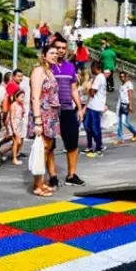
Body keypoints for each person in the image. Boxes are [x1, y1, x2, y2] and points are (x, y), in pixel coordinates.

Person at [52, 33, 86, 186]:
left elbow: (73, 89)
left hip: (67, 109)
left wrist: (79, 108)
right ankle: (52, 176)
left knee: (72, 144)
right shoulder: (46, 67)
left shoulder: (70, 66)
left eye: (63, 48)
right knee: (49, 146)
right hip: (51, 111)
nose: (60, 50)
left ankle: (71, 175)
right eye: (57, 48)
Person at [28, 44, 61, 195]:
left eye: (57, 53)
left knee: (47, 149)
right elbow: (35, 96)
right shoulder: (38, 71)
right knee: (41, 150)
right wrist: (37, 120)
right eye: (52, 53)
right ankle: (37, 185)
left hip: (51, 115)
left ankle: (41, 182)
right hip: (42, 115)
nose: (55, 55)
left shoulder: (50, 72)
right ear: (44, 55)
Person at [85, 61, 107, 158]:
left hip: (96, 106)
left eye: (91, 68)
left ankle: (98, 148)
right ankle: (99, 143)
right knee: (87, 126)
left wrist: (89, 86)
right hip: (91, 106)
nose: (91, 70)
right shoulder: (99, 77)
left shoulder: (99, 78)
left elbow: (92, 92)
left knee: (95, 128)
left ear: (95, 68)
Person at [0, 89, 25, 164]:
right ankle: (14, 158)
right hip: (14, 125)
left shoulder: (20, 104)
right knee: (17, 142)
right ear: (16, 97)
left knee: (18, 142)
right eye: (21, 97)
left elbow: (21, 115)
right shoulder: (13, 105)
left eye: (23, 97)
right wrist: (14, 129)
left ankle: (3, 151)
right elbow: (12, 118)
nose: (23, 99)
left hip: (19, 124)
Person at [116, 71, 136, 144]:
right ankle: (120, 138)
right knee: (119, 122)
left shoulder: (129, 84)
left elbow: (130, 95)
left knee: (124, 121)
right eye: (120, 77)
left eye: (123, 76)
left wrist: (131, 105)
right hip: (120, 104)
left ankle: (135, 132)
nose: (122, 78)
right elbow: (120, 97)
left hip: (126, 105)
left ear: (126, 76)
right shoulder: (121, 85)